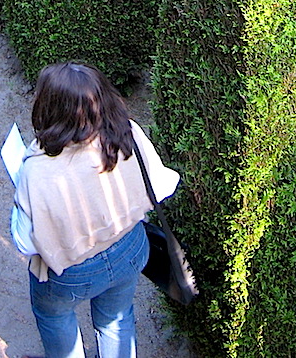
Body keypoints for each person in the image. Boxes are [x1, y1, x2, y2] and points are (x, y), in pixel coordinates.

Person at [11, 62, 180, 358]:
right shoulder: (126, 132)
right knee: (115, 320)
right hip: (130, 248)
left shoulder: (36, 167)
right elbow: (164, 185)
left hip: (71, 271)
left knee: (55, 316)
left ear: (47, 108)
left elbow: (24, 241)